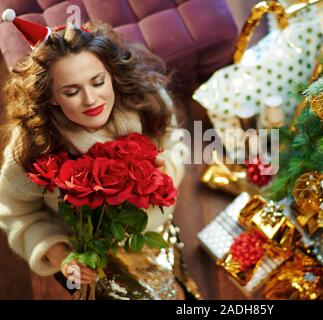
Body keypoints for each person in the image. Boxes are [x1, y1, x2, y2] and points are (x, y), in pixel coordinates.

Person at [0, 9, 199, 300]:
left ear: (111, 72)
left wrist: (164, 170)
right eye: (71, 92)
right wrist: (61, 257)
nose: (91, 100)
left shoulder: (146, 100)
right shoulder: (32, 148)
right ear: (51, 96)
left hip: (151, 229)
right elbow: (17, 214)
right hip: (82, 256)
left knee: (178, 292)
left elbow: (174, 142)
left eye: (97, 82)